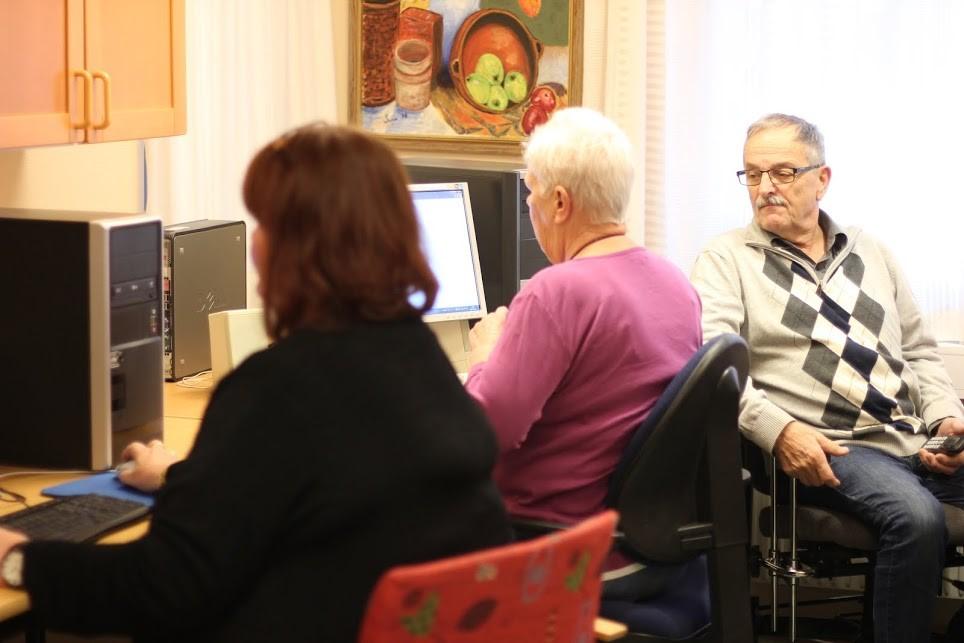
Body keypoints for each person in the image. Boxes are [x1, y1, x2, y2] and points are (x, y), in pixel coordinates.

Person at [0, 123, 511, 642]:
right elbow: (314, 493)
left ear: (299, 250)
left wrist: (20, 560)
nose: (256, 246)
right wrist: (186, 479)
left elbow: (164, 586)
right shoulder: (417, 358)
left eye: (265, 225)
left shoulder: (275, 390)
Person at [690, 112, 964, 643]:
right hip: (831, 448)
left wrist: (947, 419)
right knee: (917, 520)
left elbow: (921, 351)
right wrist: (779, 431)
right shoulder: (726, 259)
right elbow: (715, 368)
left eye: (783, 172)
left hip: (914, 439)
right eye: (753, 174)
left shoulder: (871, 251)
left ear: (823, 178)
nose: (765, 187)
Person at [464, 107, 703, 598]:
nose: (529, 208)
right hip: (650, 544)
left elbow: (487, 432)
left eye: (530, 192)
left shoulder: (556, 291)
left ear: (558, 201)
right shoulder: (676, 283)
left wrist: (484, 355)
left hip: (558, 546)